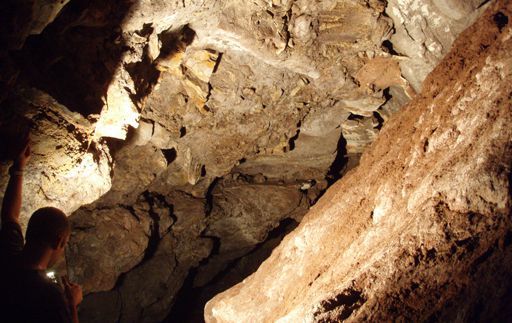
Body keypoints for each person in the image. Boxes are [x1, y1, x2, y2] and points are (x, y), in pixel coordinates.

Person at [0, 136, 83, 323]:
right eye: (65, 244)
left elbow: (10, 215)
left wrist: (19, 167)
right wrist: (72, 305)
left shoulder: (8, 254)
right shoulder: (50, 298)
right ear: (59, 241)